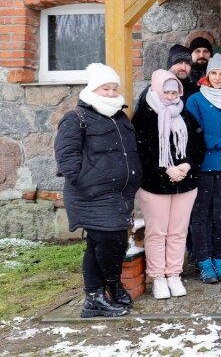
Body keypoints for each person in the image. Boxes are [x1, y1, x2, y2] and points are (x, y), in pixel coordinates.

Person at [54, 63, 142, 318]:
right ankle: (104, 290)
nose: (111, 93)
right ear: (93, 89)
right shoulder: (76, 118)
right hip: (91, 194)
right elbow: (66, 156)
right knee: (111, 241)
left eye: (114, 88)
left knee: (100, 243)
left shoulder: (119, 116)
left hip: (118, 193)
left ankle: (99, 295)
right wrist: (86, 179)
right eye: (106, 88)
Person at [132, 70, 206, 300]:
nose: (171, 97)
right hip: (154, 184)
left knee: (178, 232)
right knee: (157, 232)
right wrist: (165, 169)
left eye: (175, 92)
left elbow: (198, 144)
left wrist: (187, 165)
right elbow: (142, 150)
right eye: (167, 92)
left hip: (185, 183)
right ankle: (158, 277)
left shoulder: (184, 114)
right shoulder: (143, 116)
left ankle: (174, 273)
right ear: (156, 90)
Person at [185, 54, 221, 284]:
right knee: (201, 215)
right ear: (207, 75)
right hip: (204, 165)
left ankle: (219, 257)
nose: (217, 78)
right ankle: (204, 260)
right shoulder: (196, 100)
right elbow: (193, 132)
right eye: (213, 73)